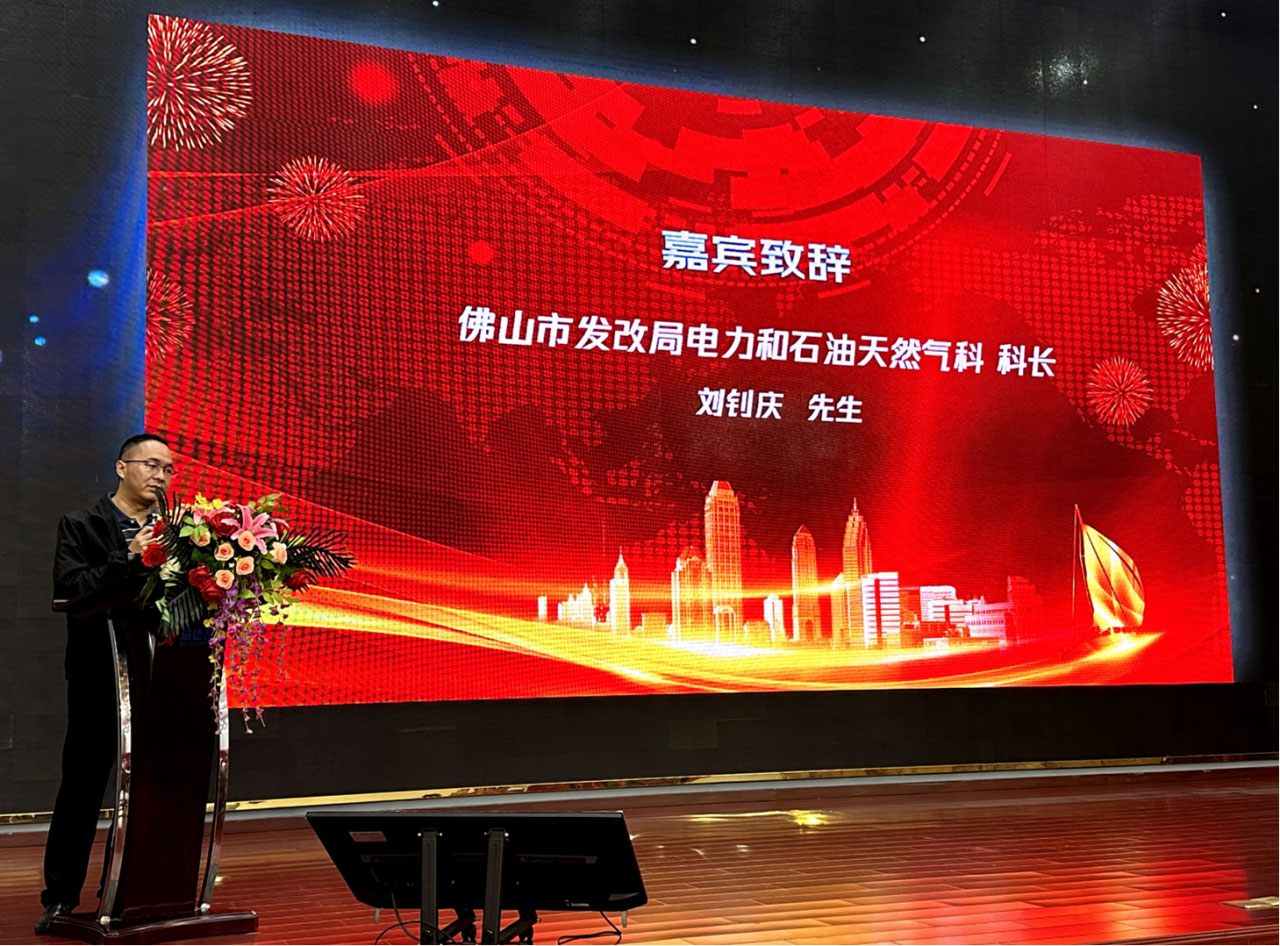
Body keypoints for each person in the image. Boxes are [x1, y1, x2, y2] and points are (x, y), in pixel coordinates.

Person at [36, 433, 174, 935]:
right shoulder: (82, 524)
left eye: (167, 469)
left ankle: (128, 891)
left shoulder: (177, 530)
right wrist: (128, 557)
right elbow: (70, 588)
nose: (160, 476)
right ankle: (60, 896)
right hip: (100, 675)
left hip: (161, 675)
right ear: (122, 467)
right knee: (83, 786)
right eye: (151, 465)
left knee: (151, 790)